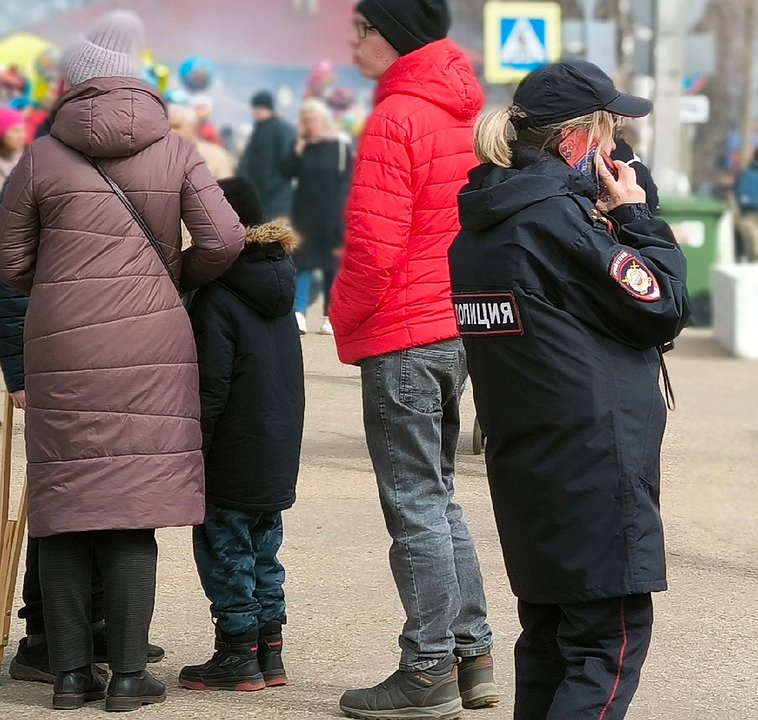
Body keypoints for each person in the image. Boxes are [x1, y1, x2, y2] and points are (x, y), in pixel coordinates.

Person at [0, 10, 244, 712]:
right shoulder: (173, 149)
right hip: (152, 342)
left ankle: (72, 678)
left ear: (74, 87)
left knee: (68, 504)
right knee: (131, 509)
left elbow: (9, 258)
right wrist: (175, 276)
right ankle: (131, 677)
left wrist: (58, 289)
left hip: (62, 344)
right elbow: (225, 237)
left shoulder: (43, 155)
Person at [455, 59, 689, 720]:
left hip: (527, 462)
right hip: (593, 466)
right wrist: (638, 219)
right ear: (576, 140)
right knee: (603, 650)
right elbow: (663, 304)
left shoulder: (485, 220)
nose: (617, 152)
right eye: (610, 134)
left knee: (549, 646)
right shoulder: (556, 221)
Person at [330, 2, 497, 718]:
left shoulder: (397, 115)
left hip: (403, 330)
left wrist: (339, 316)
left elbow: (372, 246)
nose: (353, 38)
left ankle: (426, 667)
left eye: (362, 27)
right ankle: (473, 653)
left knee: (415, 505)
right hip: (453, 326)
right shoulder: (460, 109)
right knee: (440, 496)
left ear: (392, 34)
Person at [179, 178, 304, 693]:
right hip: (274, 447)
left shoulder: (219, 297)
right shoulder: (278, 286)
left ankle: (237, 653)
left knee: (224, 549)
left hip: (230, 451)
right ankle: (269, 650)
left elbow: (211, 388)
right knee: (264, 550)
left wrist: (192, 452)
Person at [281, 99, 352, 336]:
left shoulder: (340, 147)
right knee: (303, 264)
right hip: (304, 215)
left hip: (332, 215)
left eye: (310, 119)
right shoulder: (303, 146)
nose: (306, 124)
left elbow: (347, 182)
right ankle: (298, 312)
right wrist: (298, 146)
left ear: (321, 120)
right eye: (304, 120)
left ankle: (329, 316)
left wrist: (342, 213)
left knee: (331, 266)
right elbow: (286, 171)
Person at [237, 90, 295, 221]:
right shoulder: (259, 129)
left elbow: (288, 161)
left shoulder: (282, 129)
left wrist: (273, 183)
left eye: (258, 108)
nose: (255, 112)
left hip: (277, 197)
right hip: (259, 194)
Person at [170, 104, 234, 180]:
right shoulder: (158, 155)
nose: (171, 131)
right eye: (167, 127)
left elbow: (227, 187)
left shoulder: (216, 156)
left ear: (192, 127)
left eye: (176, 126)